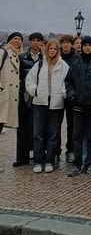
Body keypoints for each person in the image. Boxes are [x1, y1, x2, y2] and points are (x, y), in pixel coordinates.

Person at [25, 39, 68, 173]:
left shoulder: (63, 65)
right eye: (50, 48)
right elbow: (29, 80)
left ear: (58, 50)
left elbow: (67, 82)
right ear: (47, 49)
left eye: (55, 49)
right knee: (38, 133)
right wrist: (35, 90)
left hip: (56, 103)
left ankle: (49, 160)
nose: (52, 51)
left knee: (53, 133)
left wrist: (63, 93)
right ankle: (38, 161)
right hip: (40, 102)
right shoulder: (39, 64)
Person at [65, 36, 91, 177]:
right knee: (77, 137)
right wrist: (72, 95)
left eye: (90, 45)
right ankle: (77, 163)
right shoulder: (76, 64)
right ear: (81, 47)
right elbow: (68, 82)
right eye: (85, 45)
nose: (87, 47)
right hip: (78, 106)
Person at [14, 32, 43, 167]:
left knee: (39, 128)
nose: (36, 43)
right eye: (33, 40)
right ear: (30, 42)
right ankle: (22, 157)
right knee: (22, 127)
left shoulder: (45, 57)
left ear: (42, 43)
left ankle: (39, 155)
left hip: (39, 96)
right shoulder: (21, 57)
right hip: (24, 96)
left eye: (38, 40)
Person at [59, 34, 79, 163]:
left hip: (71, 95)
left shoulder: (77, 58)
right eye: (64, 42)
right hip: (57, 95)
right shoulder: (56, 56)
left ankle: (70, 149)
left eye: (68, 42)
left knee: (72, 125)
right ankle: (55, 150)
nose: (66, 45)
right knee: (55, 125)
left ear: (72, 44)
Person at [0, 32, 24, 138]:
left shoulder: (17, 57)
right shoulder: (2, 52)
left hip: (8, 97)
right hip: (2, 94)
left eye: (19, 39)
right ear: (9, 40)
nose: (17, 41)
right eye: (15, 38)